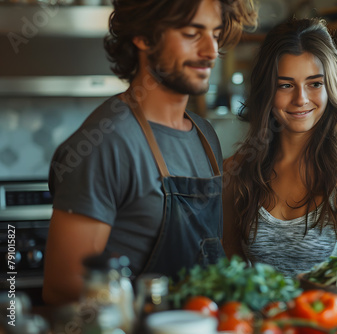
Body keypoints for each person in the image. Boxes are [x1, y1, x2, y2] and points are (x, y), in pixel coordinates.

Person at [43, 0, 257, 305]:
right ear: (143, 37)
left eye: (215, 33)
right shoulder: (107, 141)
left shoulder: (205, 136)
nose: (210, 51)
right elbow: (64, 286)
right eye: (191, 34)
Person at [222, 18, 337, 278]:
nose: (301, 99)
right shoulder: (235, 171)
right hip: (259, 319)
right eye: (285, 85)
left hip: (332, 318)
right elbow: (234, 273)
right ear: (267, 91)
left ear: (330, 87)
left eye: (315, 83)